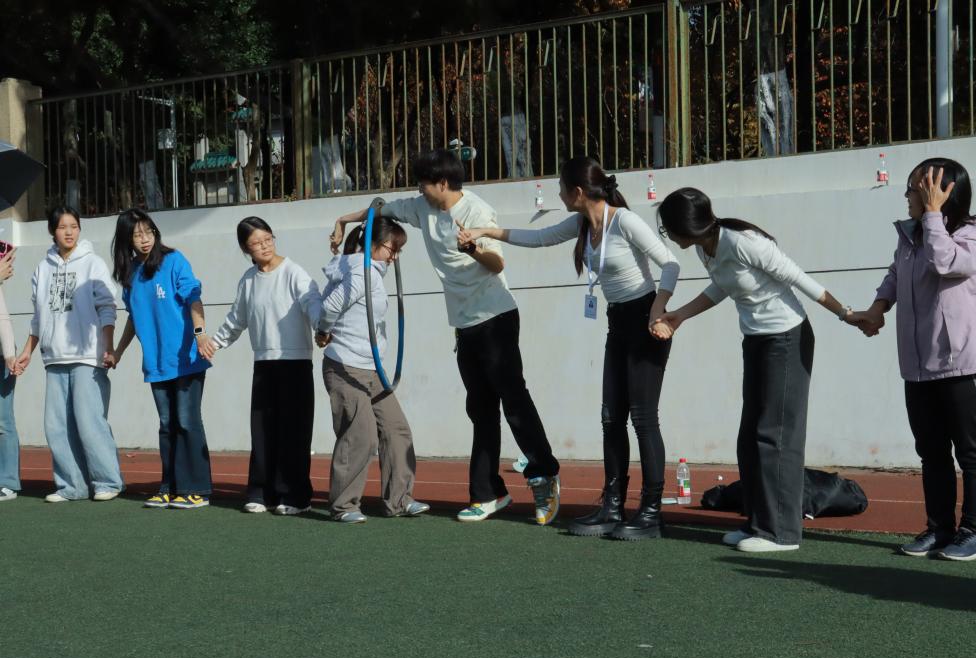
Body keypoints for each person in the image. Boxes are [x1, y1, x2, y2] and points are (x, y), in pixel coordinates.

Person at [333, 150, 560, 525]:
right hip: (465, 326)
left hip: (496, 318)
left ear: (442, 183)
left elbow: (497, 263)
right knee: (480, 409)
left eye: (423, 184)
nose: (418, 190)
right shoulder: (422, 207)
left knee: (514, 401)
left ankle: (544, 475)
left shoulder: (476, 211)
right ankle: (488, 493)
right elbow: (379, 210)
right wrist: (344, 219)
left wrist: (472, 247)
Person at [459, 156, 680, 540]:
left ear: (578, 192)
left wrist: (659, 310)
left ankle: (650, 512)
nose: (558, 196)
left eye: (561, 189)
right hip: (617, 323)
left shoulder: (623, 221)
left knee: (643, 419)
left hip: (645, 321)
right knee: (611, 419)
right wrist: (485, 231)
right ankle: (613, 506)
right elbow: (538, 237)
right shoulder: (581, 224)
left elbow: (670, 264)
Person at [653, 187, 857, 552]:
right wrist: (680, 315)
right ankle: (758, 523)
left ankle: (781, 533)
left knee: (775, 436)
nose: (668, 235)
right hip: (757, 340)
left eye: (668, 228)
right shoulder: (705, 247)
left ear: (686, 227)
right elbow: (722, 286)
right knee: (750, 438)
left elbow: (799, 278)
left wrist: (847, 314)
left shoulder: (744, 242)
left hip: (787, 338)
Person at [850, 159, 976, 561]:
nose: (907, 195)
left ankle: (974, 534)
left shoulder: (968, 235)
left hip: (961, 366)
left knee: (971, 452)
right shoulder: (910, 237)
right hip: (917, 368)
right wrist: (878, 308)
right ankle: (940, 529)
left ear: (941, 192)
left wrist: (932, 213)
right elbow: (896, 275)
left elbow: (944, 263)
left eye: (914, 188)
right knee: (932, 454)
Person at [316, 215, 429, 523]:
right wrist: (323, 331)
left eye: (398, 250)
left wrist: (342, 219)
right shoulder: (359, 272)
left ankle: (399, 500)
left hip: (370, 368)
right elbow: (329, 307)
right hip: (345, 366)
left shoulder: (370, 273)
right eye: (392, 249)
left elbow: (377, 206)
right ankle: (344, 506)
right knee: (360, 435)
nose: (395, 256)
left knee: (396, 429)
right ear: (373, 245)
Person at [208, 217, 321, 515]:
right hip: (264, 363)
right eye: (256, 243)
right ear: (246, 249)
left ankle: (295, 497)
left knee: (294, 431)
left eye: (267, 239)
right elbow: (236, 319)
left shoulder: (294, 272)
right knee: (262, 431)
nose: (264, 246)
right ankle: (260, 492)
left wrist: (321, 326)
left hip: (295, 363)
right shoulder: (248, 280)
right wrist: (214, 344)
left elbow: (312, 302)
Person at [14, 206, 124, 503]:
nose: (69, 232)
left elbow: (107, 307)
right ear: (53, 231)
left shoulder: (93, 263)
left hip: (87, 356)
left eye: (74, 226)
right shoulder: (42, 268)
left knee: (89, 422)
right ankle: (72, 486)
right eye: (63, 227)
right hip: (54, 358)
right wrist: (27, 352)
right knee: (57, 427)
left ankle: (107, 481)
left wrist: (108, 345)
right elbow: (38, 317)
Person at [109, 208, 215, 510]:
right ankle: (170, 486)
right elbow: (134, 318)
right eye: (137, 234)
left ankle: (197, 489)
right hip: (157, 364)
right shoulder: (130, 274)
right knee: (167, 424)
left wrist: (200, 333)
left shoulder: (174, 260)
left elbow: (194, 296)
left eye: (148, 232)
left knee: (187, 421)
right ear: (127, 240)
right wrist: (118, 351)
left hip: (186, 358)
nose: (145, 239)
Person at [0, 248, 21, 502]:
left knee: (2, 420)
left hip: (1, 355)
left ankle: (7, 482)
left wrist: (8, 354)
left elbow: (2, 315)